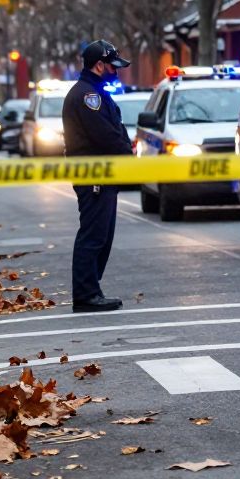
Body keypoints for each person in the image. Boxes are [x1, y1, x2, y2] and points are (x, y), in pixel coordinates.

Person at [61, 40, 133, 313]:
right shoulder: (87, 96)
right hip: (94, 175)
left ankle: (91, 289)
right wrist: (126, 154)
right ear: (99, 65)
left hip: (102, 175)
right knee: (93, 235)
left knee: (102, 234)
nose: (117, 71)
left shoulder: (94, 92)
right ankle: (86, 294)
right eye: (113, 66)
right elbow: (105, 135)